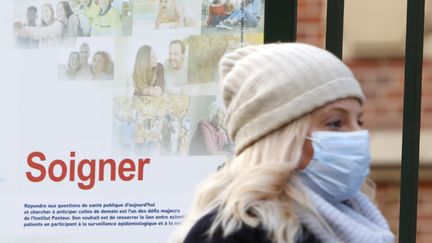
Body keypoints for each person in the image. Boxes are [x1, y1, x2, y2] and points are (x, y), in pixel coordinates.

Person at [171, 43, 395, 243]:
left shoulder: (360, 221)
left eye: (359, 120)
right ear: (282, 137)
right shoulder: (232, 232)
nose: (357, 134)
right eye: (336, 122)